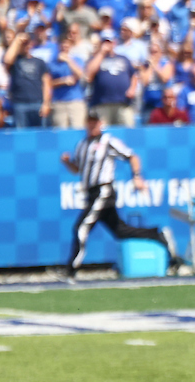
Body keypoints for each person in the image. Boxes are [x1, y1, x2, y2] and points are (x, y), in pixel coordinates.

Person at [60, 111, 179, 279]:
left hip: (103, 191)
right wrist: (67, 163)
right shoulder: (82, 144)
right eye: (89, 121)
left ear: (100, 123)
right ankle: (157, 235)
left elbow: (132, 156)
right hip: (91, 193)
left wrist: (137, 177)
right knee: (120, 231)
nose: (92, 125)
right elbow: (77, 169)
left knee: (81, 228)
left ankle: (71, 270)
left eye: (95, 121)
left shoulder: (108, 141)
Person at [3, 31, 51, 127]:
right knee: (21, 134)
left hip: (37, 103)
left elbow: (46, 83)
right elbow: (7, 60)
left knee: (40, 133)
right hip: (20, 104)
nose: (25, 45)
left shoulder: (39, 62)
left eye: (27, 43)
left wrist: (46, 103)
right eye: (23, 44)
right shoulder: (15, 62)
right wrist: (17, 40)